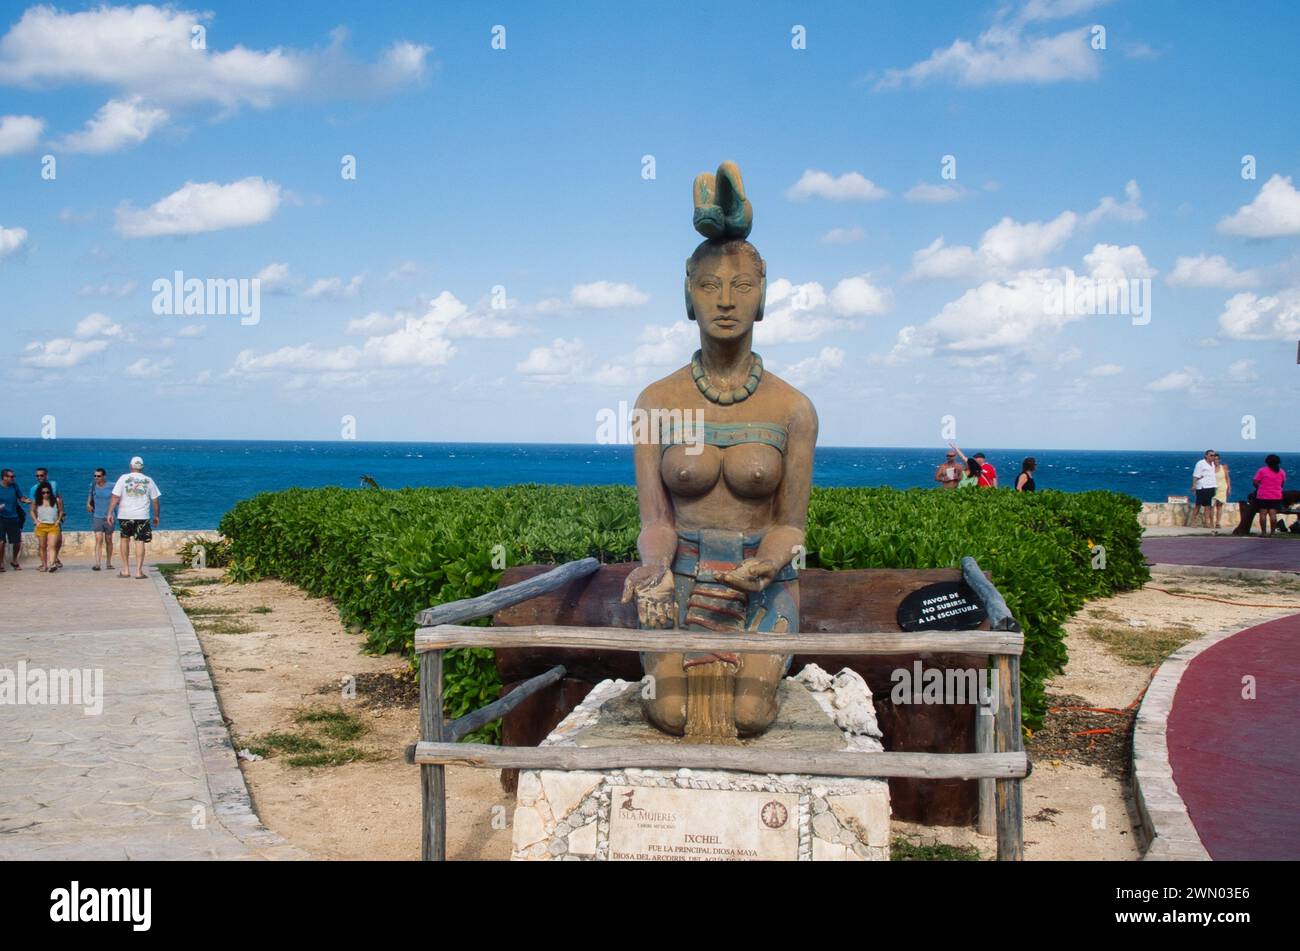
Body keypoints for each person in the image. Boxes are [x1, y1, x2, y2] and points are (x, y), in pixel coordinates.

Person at [106, 456, 162, 579]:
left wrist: (110, 513)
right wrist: (157, 516)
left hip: (125, 515)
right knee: (140, 541)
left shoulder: (123, 478)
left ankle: (125, 570)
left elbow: (115, 497)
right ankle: (138, 571)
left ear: (130, 466)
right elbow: (155, 500)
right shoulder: (149, 480)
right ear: (142, 467)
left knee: (124, 539)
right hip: (142, 516)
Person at [30, 466, 64, 569]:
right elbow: (33, 508)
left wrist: (60, 517)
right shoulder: (34, 489)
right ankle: (45, 564)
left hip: (54, 522)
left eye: (41, 475)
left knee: (55, 543)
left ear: (46, 475)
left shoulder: (54, 485)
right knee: (42, 546)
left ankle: (53, 562)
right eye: (37, 475)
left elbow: (60, 500)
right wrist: (36, 521)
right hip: (41, 523)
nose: (39, 477)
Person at [0, 468, 30, 571]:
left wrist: (25, 500)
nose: (13, 478)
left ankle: (14, 561)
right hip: (1, 518)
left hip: (14, 517)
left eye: (13, 476)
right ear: (4, 477)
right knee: (1, 542)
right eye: (11, 476)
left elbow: (20, 497)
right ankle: (1, 563)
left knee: (17, 542)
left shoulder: (14, 486)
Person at [87, 467, 115, 571]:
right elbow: (90, 496)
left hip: (109, 516)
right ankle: (97, 563)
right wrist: (88, 504)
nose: (96, 478)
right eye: (95, 476)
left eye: (98, 476)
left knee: (109, 539)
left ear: (104, 476)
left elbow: (117, 497)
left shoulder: (112, 486)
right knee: (98, 539)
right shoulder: (93, 485)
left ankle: (108, 562)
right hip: (97, 516)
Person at [1252, 454, 1287, 536]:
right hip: (1276, 496)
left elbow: (1255, 482)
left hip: (1263, 495)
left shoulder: (1262, 471)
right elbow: (1282, 484)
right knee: (1273, 515)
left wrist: (1259, 488)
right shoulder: (1281, 472)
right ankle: (1273, 533)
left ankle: (1263, 532)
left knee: (1263, 514)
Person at [1190, 450, 1217, 529]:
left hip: (1211, 486)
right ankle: (1193, 522)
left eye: (1214, 455)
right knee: (1198, 506)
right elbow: (1195, 475)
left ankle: (1206, 522)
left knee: (1208, 506)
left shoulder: (1213, 464)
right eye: (1211, 455)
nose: (1213, 457)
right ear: (1206, 455)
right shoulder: (1200, 463)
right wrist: (1194, 486)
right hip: (1202, 487)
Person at [1212, 452, 1231, 530]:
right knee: (1211, 506)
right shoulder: (1210, 468)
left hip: (1222, 489)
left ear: (1219, 460)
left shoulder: (1223, 467)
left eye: (1217, 459)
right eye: (1214, 459)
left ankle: (1218, 522)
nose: (1216, 460)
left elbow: (1227, 478)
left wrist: (1229, 488)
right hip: (1212, 489)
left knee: (1219, 507)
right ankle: (1211, 522)